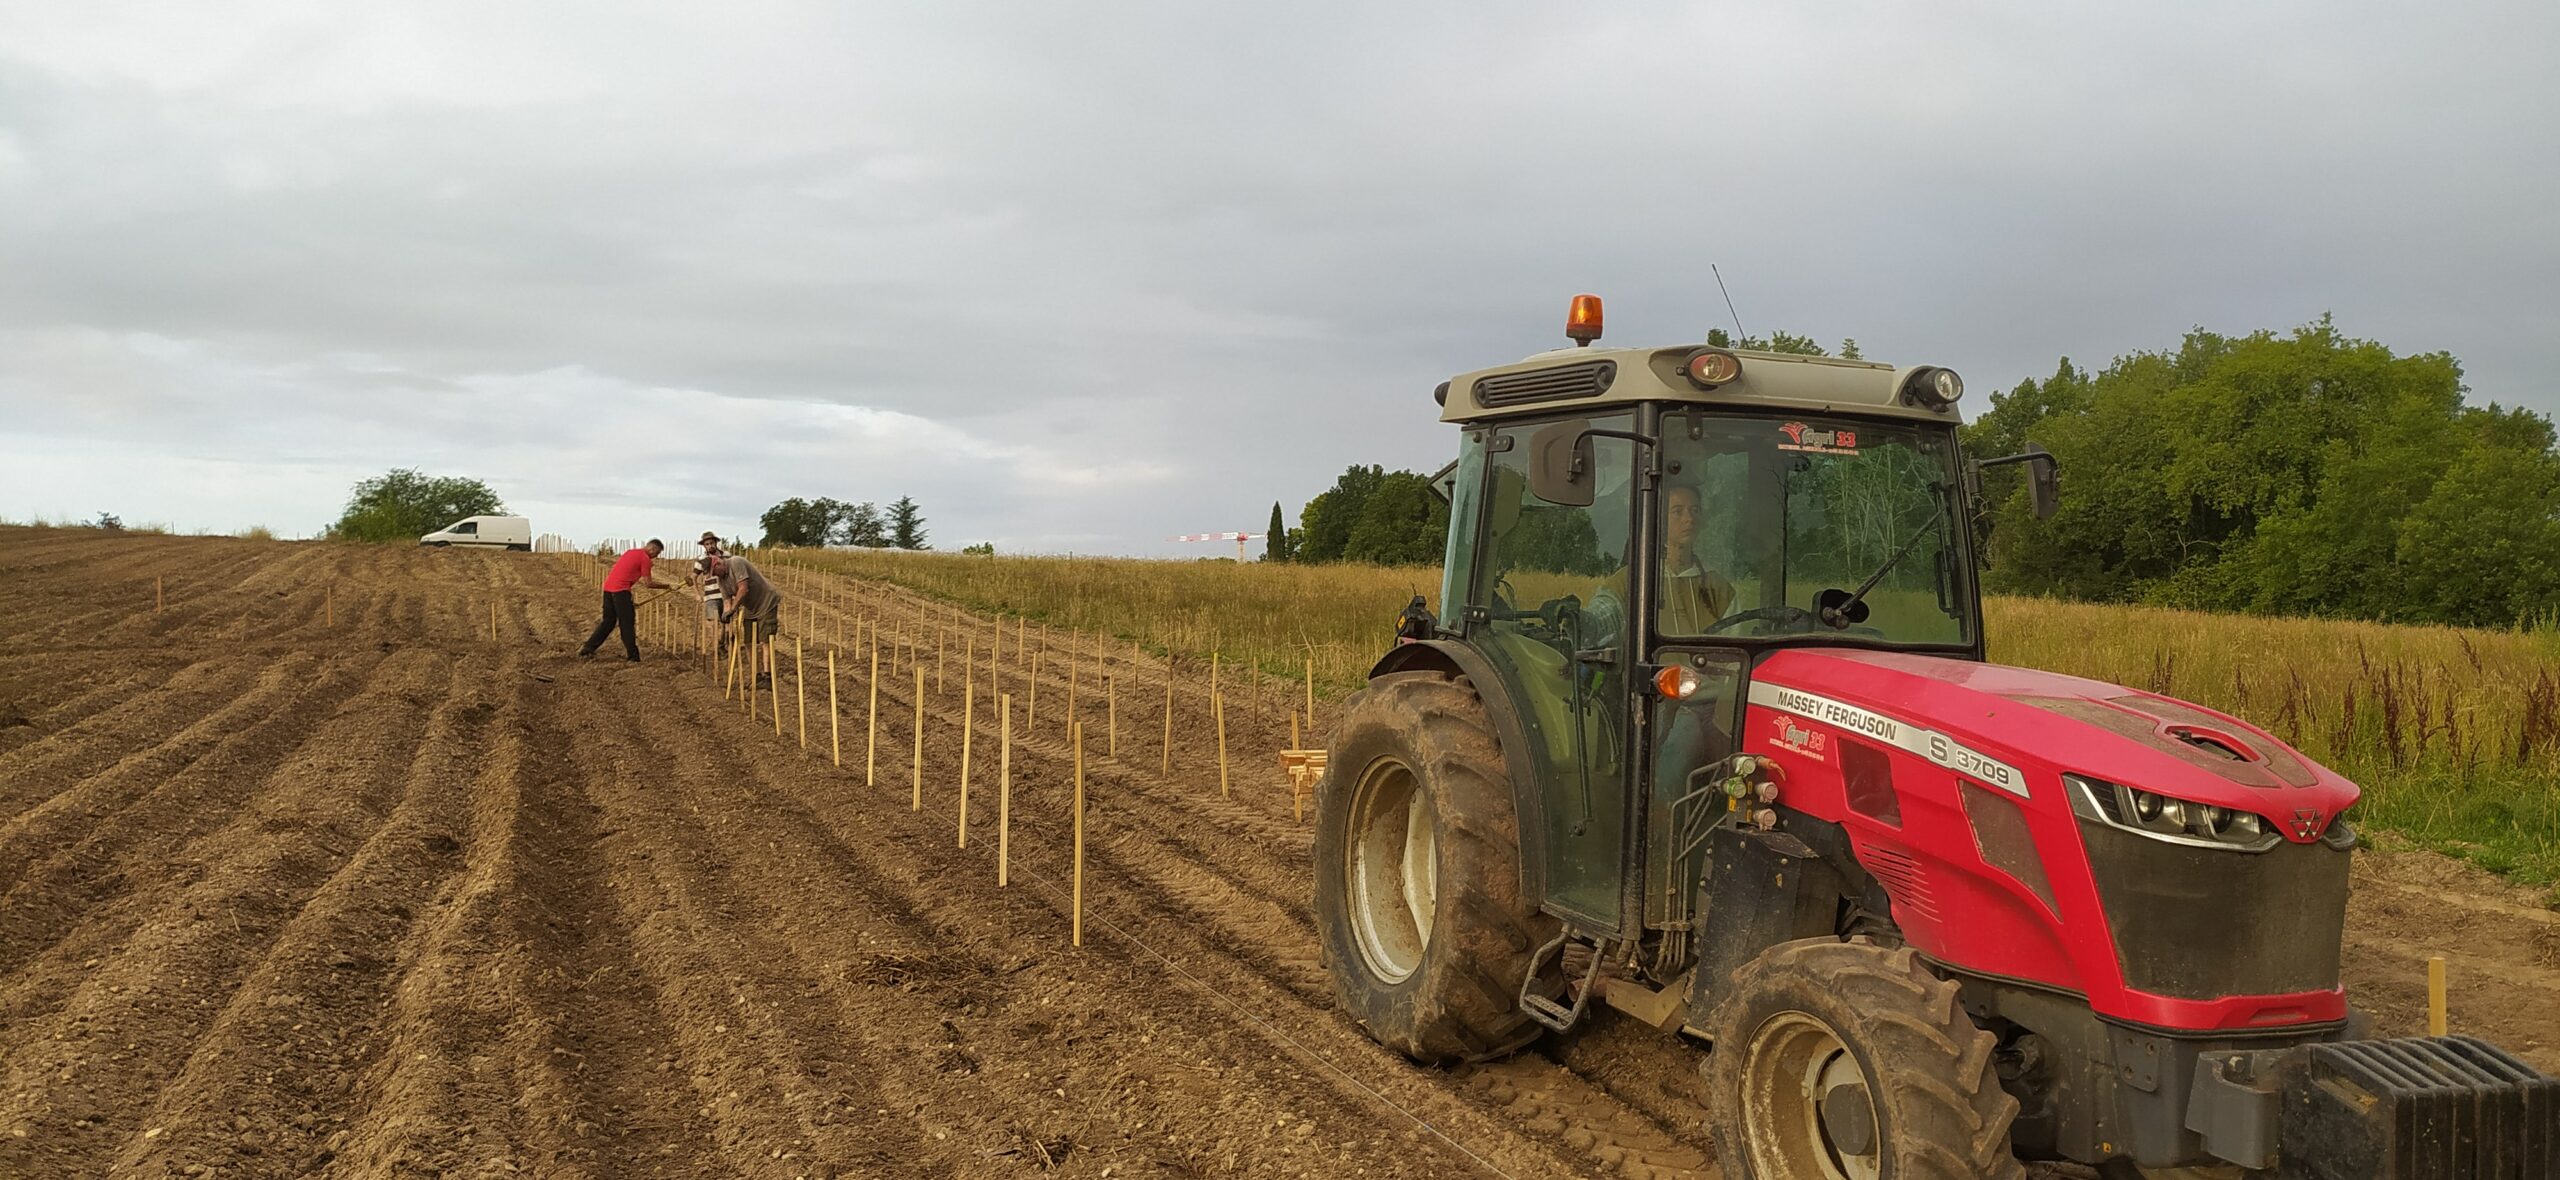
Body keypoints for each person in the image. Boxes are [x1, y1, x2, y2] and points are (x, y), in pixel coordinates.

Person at [1656, 482, 1738, 634]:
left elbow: (1733, 649)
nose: (1689, 519)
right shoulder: (1632, 581)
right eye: (1677, 511)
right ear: (1659, 518)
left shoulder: (1719, 589)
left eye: (1695, 510)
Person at [579, 539, 674, 661]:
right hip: (621, 591)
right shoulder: (644, 558)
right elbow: (648, 583)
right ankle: (633, 656)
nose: (656, 556)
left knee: (608, 621)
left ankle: (588, 648)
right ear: (652, 548)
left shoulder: (630, 552)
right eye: (657, 553)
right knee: (627, 623)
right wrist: (668, 586)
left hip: (608, 589)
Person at [716, 547, 784, 655]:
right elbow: (727, 601)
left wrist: (733, 609)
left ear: (718, 563)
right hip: (750, 606)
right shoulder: (720, 580)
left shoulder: (735, 562)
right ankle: (755, 671)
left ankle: (767, 671)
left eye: (715, 571)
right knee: (748, 641)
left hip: (766, 601)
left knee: (765, 639)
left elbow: (743, 589)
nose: (716, 575)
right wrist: (727, 619)